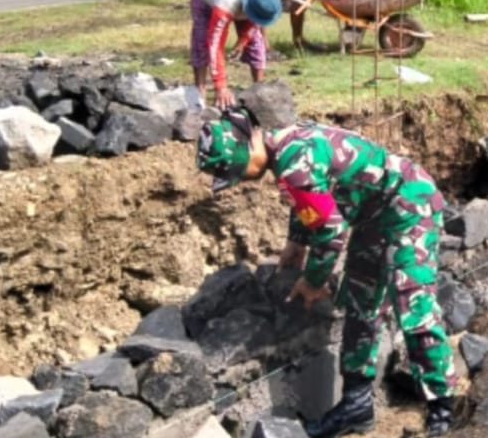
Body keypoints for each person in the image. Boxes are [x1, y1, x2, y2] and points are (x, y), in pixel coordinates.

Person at [196, 107, 457, 438]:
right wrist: (296, 241)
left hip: (408, 203)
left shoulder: (293, 162)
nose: (243, 179)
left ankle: (443, 409)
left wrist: (313, 280)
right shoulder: (285, 145)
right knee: (362, 303)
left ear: (245, 150)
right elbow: (311, 200)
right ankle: (356, 405)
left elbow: (331, 233)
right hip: (371, 213)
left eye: (239, 172)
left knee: (411, 301)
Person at [190, 0, 283, 108]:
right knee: (201, 39)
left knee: (255, 41)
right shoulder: (226, 0)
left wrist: (243, 41)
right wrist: (221, 86)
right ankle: (199, 91)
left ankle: (259, 88)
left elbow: (257, 23)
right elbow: (215, 44)